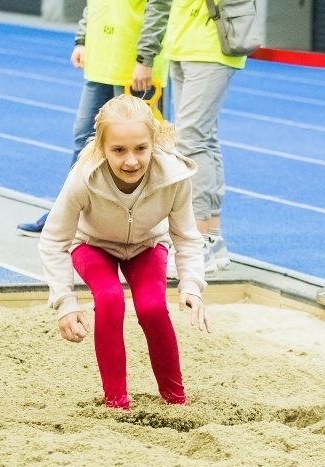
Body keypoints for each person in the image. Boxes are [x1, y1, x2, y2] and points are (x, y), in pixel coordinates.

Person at [39, 94, 211, 411]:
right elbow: (54, 241)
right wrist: (65, 301)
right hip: (93, 245)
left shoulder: (173, 177)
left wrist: (191, 285)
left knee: (152, 307)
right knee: (109, 298)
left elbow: (186, 236)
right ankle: (116, 403)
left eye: (140, 149)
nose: (130, 161)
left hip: (147, 245)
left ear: (153, 143)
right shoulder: (83, 178)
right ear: (102, 148)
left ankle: (176, 400)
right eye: (118, 150)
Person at [17, 0, 172, 237]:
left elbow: (159, 6)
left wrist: (145, 58)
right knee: (84, 139)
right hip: (101, 62)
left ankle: (144, 223)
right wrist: (82, 40)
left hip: (134, 66)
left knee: (142, 147)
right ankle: (67, 214)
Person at [163, 0, 250, 276]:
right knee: (205, 138)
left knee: (190, 140)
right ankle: (213, 237)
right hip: (180, 40)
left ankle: (196, 241)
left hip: (211, 44)